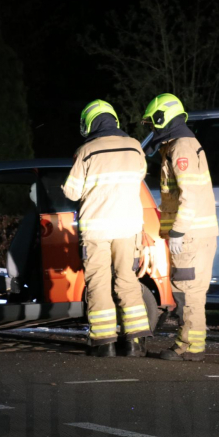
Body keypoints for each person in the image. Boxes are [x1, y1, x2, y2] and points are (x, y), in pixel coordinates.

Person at [63, 99, 151, 357]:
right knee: (127, 281)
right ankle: (135, 344)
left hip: (96, 231)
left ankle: (104, 344)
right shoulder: (135, 147)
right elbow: (140, 175)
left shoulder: (86, 150)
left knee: (99, 283)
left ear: (89, 123)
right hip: (128, 228)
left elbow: (72, 191)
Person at [142, 93, 218, 362]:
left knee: (188, 292)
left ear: (163, 119)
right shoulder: (178, 145)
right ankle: (191, 345)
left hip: (190, 236)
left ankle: (187, 346)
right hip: (194, 234)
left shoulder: (181, 148)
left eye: (153, 124)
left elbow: (190, 195)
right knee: (191, 292)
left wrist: (177, 231)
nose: (151, 129)